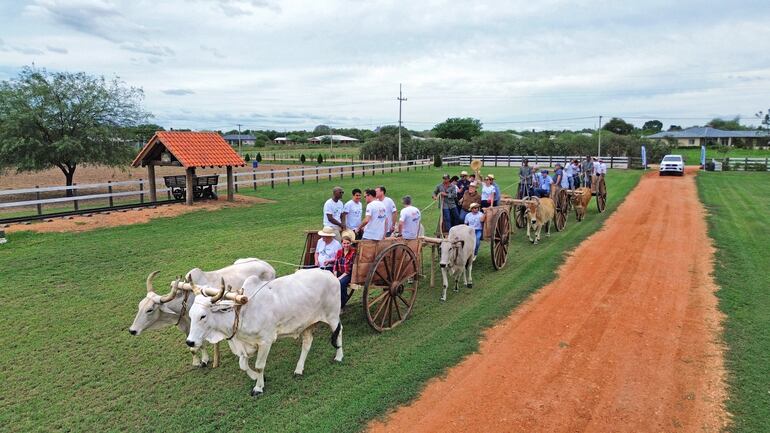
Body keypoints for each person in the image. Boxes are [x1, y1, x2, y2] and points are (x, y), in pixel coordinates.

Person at [333, 235, 356, 307]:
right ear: (341, 244)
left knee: (341, 283)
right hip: (340, 272)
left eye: (348, 243)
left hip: (348, 274)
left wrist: (339, 278)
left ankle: (342, 303)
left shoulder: (353, 252)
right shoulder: (339, 252)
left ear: (350, 243)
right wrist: (335, 275)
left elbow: (349, 269)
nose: (346, 245)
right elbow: (335, 265)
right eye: (344, 243)